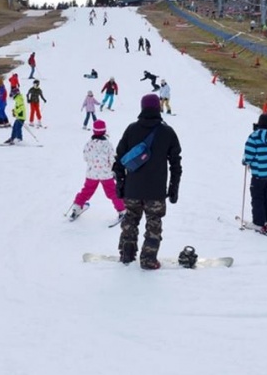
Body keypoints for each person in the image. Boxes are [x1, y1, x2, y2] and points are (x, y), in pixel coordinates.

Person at [113, 94, 182, 269]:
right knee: (154, 223)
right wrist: (174, 188)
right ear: (158, 108)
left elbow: (119, 159)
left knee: (130, 219)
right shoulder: (167, 132)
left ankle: (126, 254)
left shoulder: (131, 129)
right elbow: (175, 163)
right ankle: (148, 259)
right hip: (156, 190)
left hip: (133, 188)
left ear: (142, 108)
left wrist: (120, 184)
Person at [67, 119, 125, 221]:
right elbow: (112, 158)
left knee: (86, 190)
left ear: (94, 131)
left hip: (92, 173)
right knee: (112, 192)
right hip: (105, 174)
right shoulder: (107, 144)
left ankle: (77, 206)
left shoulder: (89, 143)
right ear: (104, 131)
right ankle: (122, 209)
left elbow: (85, 157)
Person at [242, 113, 267, 233]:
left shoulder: (254, 136)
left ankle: (258, 222)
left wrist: (245, 161)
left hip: (259, 173)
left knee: (257, 198)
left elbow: (249, 153)